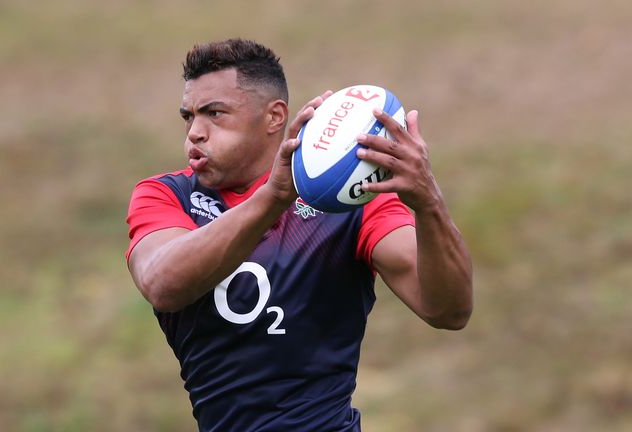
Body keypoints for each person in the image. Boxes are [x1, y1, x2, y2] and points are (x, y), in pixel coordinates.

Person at [125, 38, 473, 432]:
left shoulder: (350, 204)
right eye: (189, 117)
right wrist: (273, 196)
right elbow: (162, 283)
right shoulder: (167, 196)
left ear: (274, 117)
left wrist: (429, 203)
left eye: (215, 114)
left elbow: (449, 310)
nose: (195, 134)